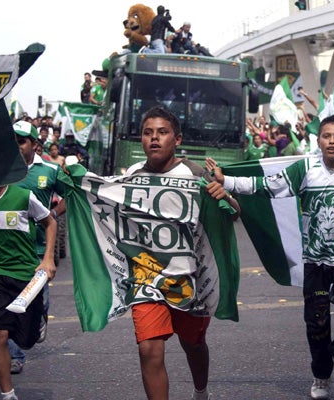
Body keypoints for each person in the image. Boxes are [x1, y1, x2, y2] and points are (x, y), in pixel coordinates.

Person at [206, 115, 334, 400]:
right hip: (315, 258)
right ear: (319, 141)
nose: (332, 141)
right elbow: (268, 185)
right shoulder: (305, 168)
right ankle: (321, 375)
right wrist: (226, 181)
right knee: (316, 321)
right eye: (326, 136)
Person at [124, 106, 239, 400]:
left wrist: (225, 196)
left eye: (162, 133)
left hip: (191, 280)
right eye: (148, 133)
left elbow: (234, 212)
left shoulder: (195, 173)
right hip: (147, 278)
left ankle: (201, 391)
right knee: (149, 349)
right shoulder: (132, 175)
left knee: (193, 344)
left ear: (177, 139)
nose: (154, 138)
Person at [0, 184, 57, 400]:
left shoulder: (24, 196)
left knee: (26, 340)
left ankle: (38, 320)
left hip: (26, 274)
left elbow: (50, 222)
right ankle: (8, 394)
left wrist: (48, 258)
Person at [8, 120, 67, 374]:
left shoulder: (50, 170)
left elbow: (70, 195)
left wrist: (52, 214)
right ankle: (15, 355)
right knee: (11, 303)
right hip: (9, 249)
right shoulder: (1, 170)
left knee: (38, 301)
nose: (16, 146)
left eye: (21, 141)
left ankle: (40, 317)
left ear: (34, 144)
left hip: (39, 250)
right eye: (13, 141)